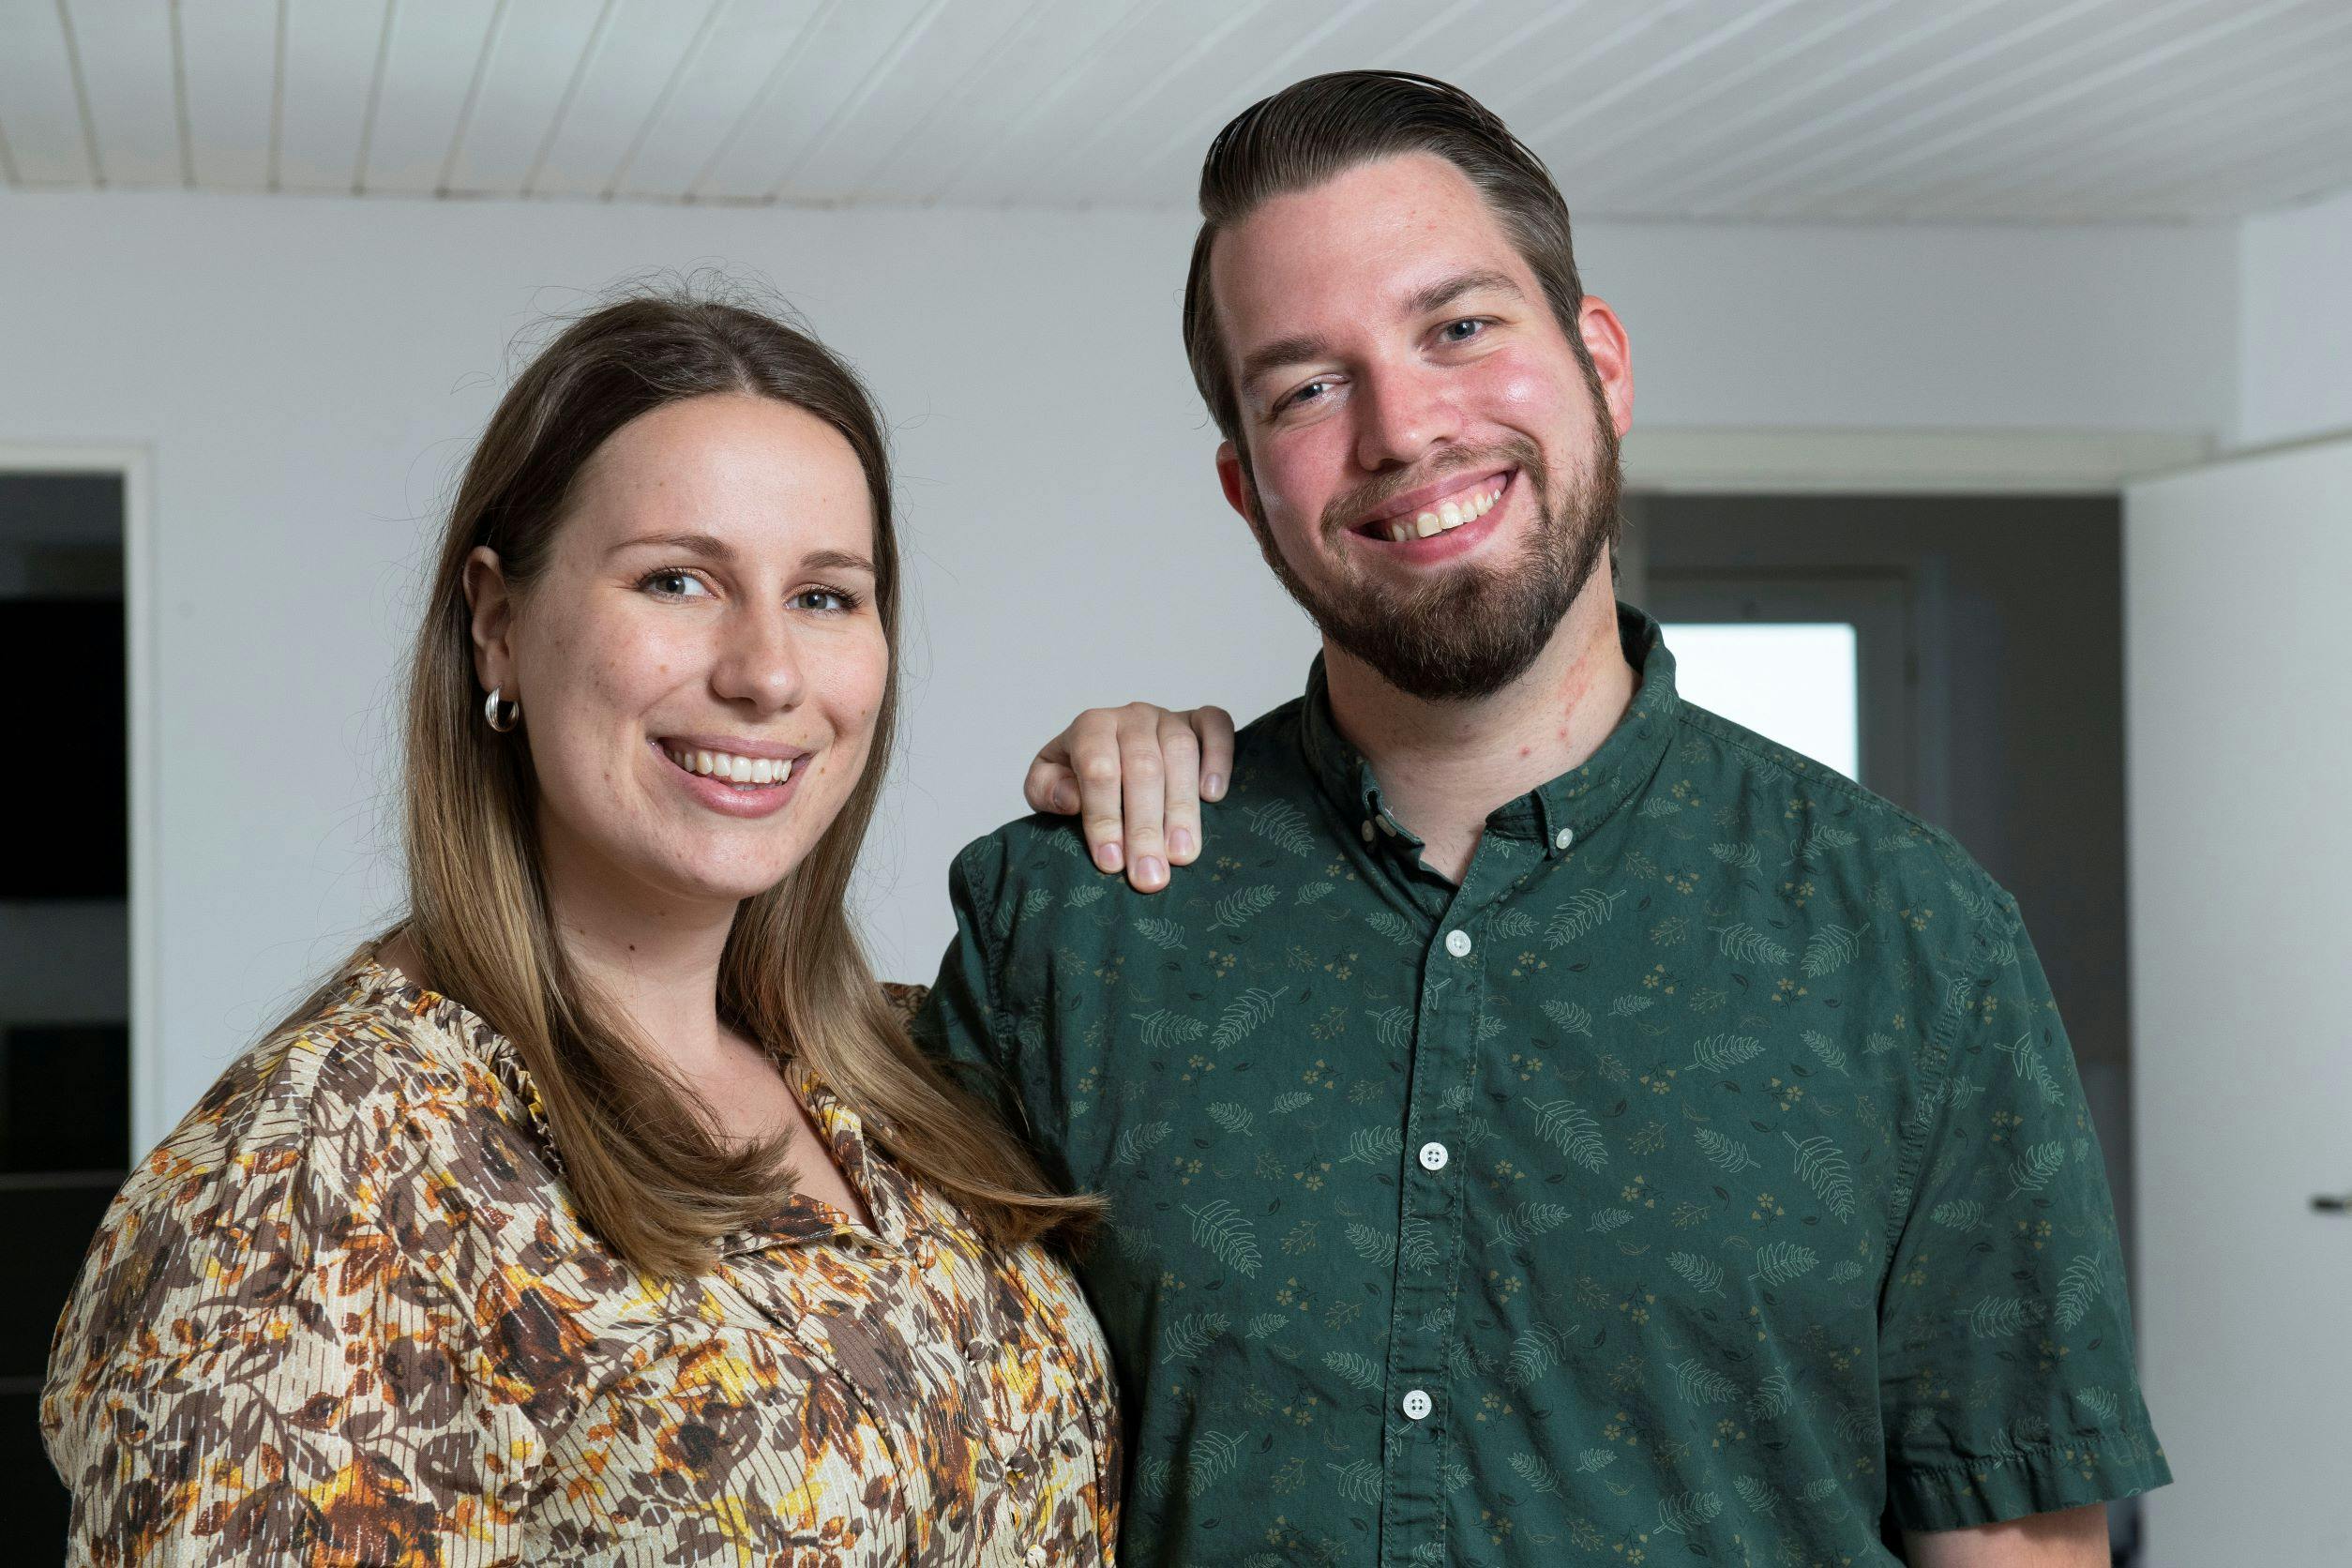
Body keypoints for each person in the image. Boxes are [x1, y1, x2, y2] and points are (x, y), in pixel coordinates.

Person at [918, 72, 2170, 1566]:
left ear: (1600, 364)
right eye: (1307, 386)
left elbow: (2019, 1543)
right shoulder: (1070, 921)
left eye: (1457, 328)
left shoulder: (1915, 942)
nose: (1401, 428)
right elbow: (916, 1456)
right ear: (1249, 491)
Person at [40, 293, 1220, 1564]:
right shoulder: (331, 1171)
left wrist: (1203, 793)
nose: (767, 672)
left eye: (826, 596)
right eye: (678, 580)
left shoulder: (897, 1073)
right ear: (496, 624)